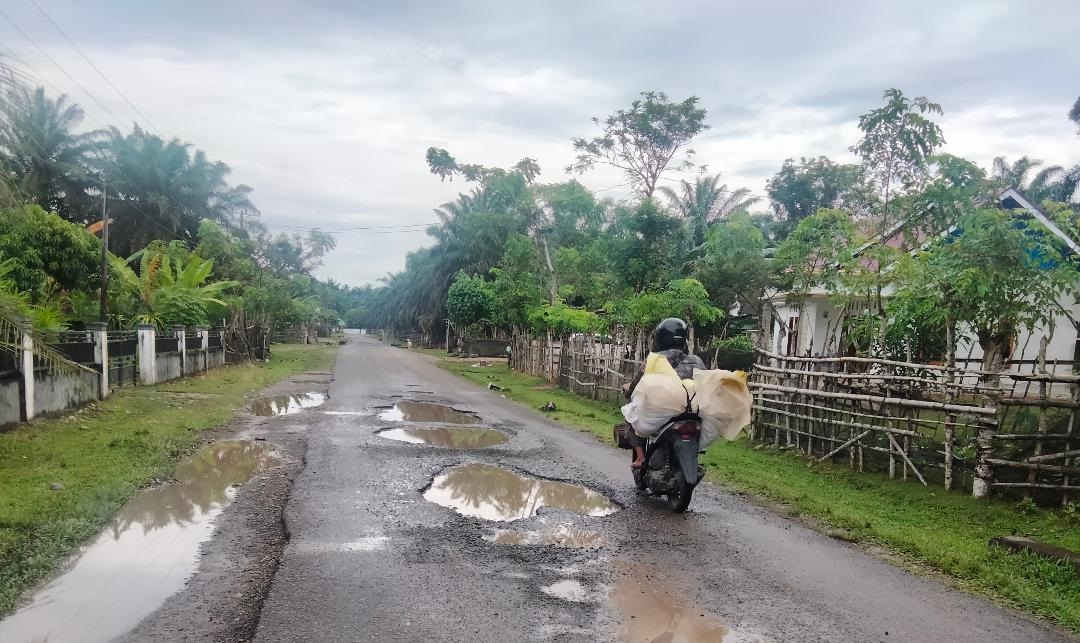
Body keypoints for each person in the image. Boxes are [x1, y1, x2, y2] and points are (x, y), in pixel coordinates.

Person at [621, 318, 706, 469]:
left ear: (660, 337)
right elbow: (706, 383)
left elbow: (636, 384)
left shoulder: (654, 360)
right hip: (692, 411)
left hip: (662, 410)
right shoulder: (696, 360)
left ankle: (640, 458)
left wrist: (629, 391)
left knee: (630, 415)